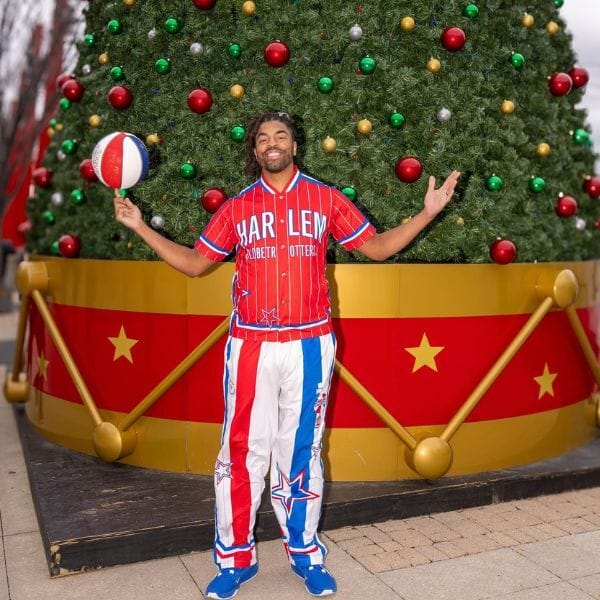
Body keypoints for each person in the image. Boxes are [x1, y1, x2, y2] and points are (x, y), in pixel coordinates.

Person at [114, 111, 460, 599]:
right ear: (255, 150)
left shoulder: (325, 198)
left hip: (309, 345)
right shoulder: (237, 208)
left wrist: (427, 213)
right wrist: (139, 225)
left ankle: (305, 554)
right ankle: (234, 559)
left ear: (295, 146)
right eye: (263, 138)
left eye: (281, 136)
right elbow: (194, 264)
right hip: (250, 345)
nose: (272, 143)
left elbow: (377, 248)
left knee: (301, 451)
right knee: (241, 453)